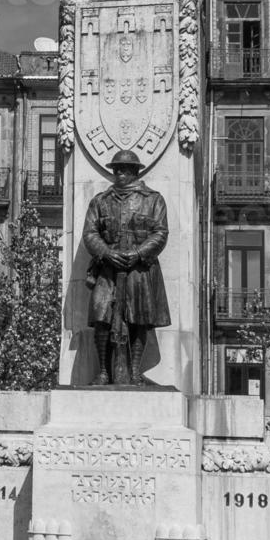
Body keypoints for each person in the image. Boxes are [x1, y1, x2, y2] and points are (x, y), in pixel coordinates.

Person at [83, 148, 171, 386]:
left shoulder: (153, 200)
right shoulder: (100, 202)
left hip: (140, 269)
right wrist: (107, 253)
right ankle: (103, 371)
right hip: (107, 268)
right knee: (101, 316)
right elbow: (90, 234)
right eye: (117, 170)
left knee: (139, 319)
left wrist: (138, 253)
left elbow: (160, 233)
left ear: (135, 172)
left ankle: (133, 371)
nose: (120, 174)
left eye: (125, 170)